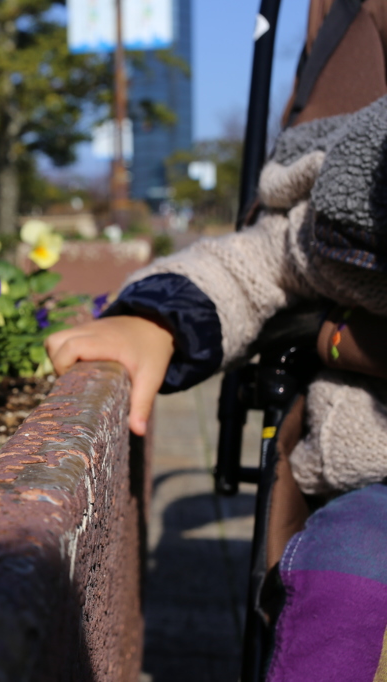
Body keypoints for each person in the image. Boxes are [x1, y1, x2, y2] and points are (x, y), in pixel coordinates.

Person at [45, 94, 387, 681]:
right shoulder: (352, 220)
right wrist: (157, 317)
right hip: (373, 483)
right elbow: (255, 264)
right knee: (347, 571)